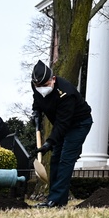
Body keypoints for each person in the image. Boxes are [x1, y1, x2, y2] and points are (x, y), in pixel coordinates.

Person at [29, 60, 94, 208]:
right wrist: (36, 112)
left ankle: (56, 200)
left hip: (79, 124)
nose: (41, 89)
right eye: (39, 86)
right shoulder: (36, 85)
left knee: (65, 159)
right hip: (61, 124)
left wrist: (49, 142)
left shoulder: (66, 93)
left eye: (45, 85)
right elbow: (37, 99)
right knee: (55, 159)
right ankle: (55, 199)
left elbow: (62, 124)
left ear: (53, 79)